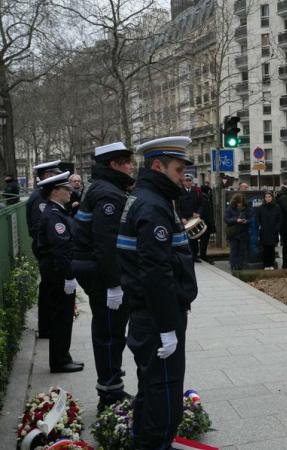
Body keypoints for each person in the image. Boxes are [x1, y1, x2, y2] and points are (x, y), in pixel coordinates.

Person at [118, 136, 198, 449]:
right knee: (164, 398)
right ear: (157, 166)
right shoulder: (152, 206)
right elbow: (156, 274)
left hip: (148, 314)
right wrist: (167, 327)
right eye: (178, 170)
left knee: (152, 390)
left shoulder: (148, 198)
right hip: (157, 317)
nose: (182, 177)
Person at [72, 142, 135, 410]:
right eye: (127, 162)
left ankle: (111, 385)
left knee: (108, 329)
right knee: (110, 332)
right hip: (100, 273)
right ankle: (110, 394)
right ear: (114, 165)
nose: (131, 166)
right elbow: (106, 242)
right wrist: (113, 285)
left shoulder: (102, 187)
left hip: (92, 268)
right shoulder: (109, 194)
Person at [36, 171, 84, 373]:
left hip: (54, 272)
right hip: (58, 274)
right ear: (55, 191)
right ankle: (60, 360)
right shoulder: (54, 215)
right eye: (66, 189)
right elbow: (60, 250)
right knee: (61, 317)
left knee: (62, 316)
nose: (70, 192)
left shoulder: (53, 211)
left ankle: (63, 356)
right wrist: (69, 276)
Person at [27, 160, 62, 339]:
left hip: (46, 248)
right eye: (54, 174)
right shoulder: (39, 199)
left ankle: (47, 326)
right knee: (49, 288)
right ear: (47, 176)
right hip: (45, 250)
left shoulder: (42, 196)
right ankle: (47, 327)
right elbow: (38, 228)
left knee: (48, 288)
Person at [178, 173, 202, 262]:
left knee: (194, 238)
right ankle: (187, 256)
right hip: (184, 219)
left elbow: (201, 205)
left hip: (193, 218)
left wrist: (198, 213)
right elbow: (177, 207)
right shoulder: (179, 192)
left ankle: (195, 256)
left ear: (192, 182)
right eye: (186, 180)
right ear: (183, 182)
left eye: (189, 180)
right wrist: (181, 218)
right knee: (185, 239)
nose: (188, 182)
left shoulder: (196, 192)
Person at [225, 194, 251, 271]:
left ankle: (240, 266)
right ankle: (233, 266)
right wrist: (236, 220)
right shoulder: (230, 209)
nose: (240, 204)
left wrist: (246, 221)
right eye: (238, 202)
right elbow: (226, 219)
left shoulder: (246, 208)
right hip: (234, 233)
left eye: (241, 202)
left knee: (242, 251)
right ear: (235, 201)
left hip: (243, 232)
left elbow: (251, 218)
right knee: (234, 250)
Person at [257, 191, 282, 270]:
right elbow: (258, 218)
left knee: (271, 248)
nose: (268, 198)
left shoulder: (276, 207)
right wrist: (260, 226)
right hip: (264, 230)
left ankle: (271, 264)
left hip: (273, 230)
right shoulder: (261, 207)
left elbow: (280, 219)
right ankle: (266, 264)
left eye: (269, 197)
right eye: (266, 197)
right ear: (264, 198)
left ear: (272, 198)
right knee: (265, 248)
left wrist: (277, 227)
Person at [198, 183, 216, 262]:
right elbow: (208, 213)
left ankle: (202, 255)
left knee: (204, 240)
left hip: (204, 222)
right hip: (205, 223)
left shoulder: (204, 198)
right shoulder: (205, 199)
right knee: (204, 240)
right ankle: (203, 255)